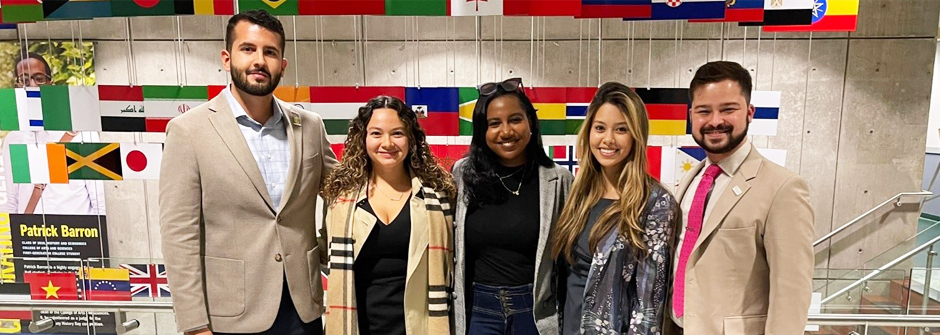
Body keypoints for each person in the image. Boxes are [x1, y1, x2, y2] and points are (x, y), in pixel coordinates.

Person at [159, 10, 337, 335]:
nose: (259, 60)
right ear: (227, 58)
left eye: (270, 52)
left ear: (282, 65)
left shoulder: (309, 126)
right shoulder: (188, 131)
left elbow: (342, 193)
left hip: (303, 307)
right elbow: (178, 235)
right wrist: (194, 325)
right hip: (231, 315)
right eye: (248, 49)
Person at [665, 61, 814, 335]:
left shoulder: (783, 188)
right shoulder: (688, 182)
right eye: (704, 111)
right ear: (691, 116)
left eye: (728, 109)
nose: (715, 121)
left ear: (749, 112)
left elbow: (792, 292)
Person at [321, 95, 456, 335]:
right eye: (376, 133)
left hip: (420, 326)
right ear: (362, 139)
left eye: (397, 133)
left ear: (411, 139)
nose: (387, 143)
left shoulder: (437, 197)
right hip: (357, 325)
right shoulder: (340, 199)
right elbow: (323, 253)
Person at [552, 82, 678, 335]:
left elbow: (649, 305)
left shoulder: (654, 202)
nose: (608, 139)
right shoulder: (578, 191)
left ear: (636, 136)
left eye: (621, 129)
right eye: (600, 128)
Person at [452, 78, 573, 335]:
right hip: (478, 311)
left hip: (535, 312)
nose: (506, 131)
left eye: (515, 119)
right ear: (482, 131)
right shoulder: (463, 175)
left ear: (531, 123)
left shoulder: (558, 179)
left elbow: (567, 259)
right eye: (494, 123)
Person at [0, 49, 105, 215]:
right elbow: (13, 202)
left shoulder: (83, 136)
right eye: (24, 80)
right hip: (31, 238)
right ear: (17, 87)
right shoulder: (14, 139)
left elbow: (100, 202)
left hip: (75, 238)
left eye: (39, 79)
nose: (33, 85)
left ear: (51, 84)